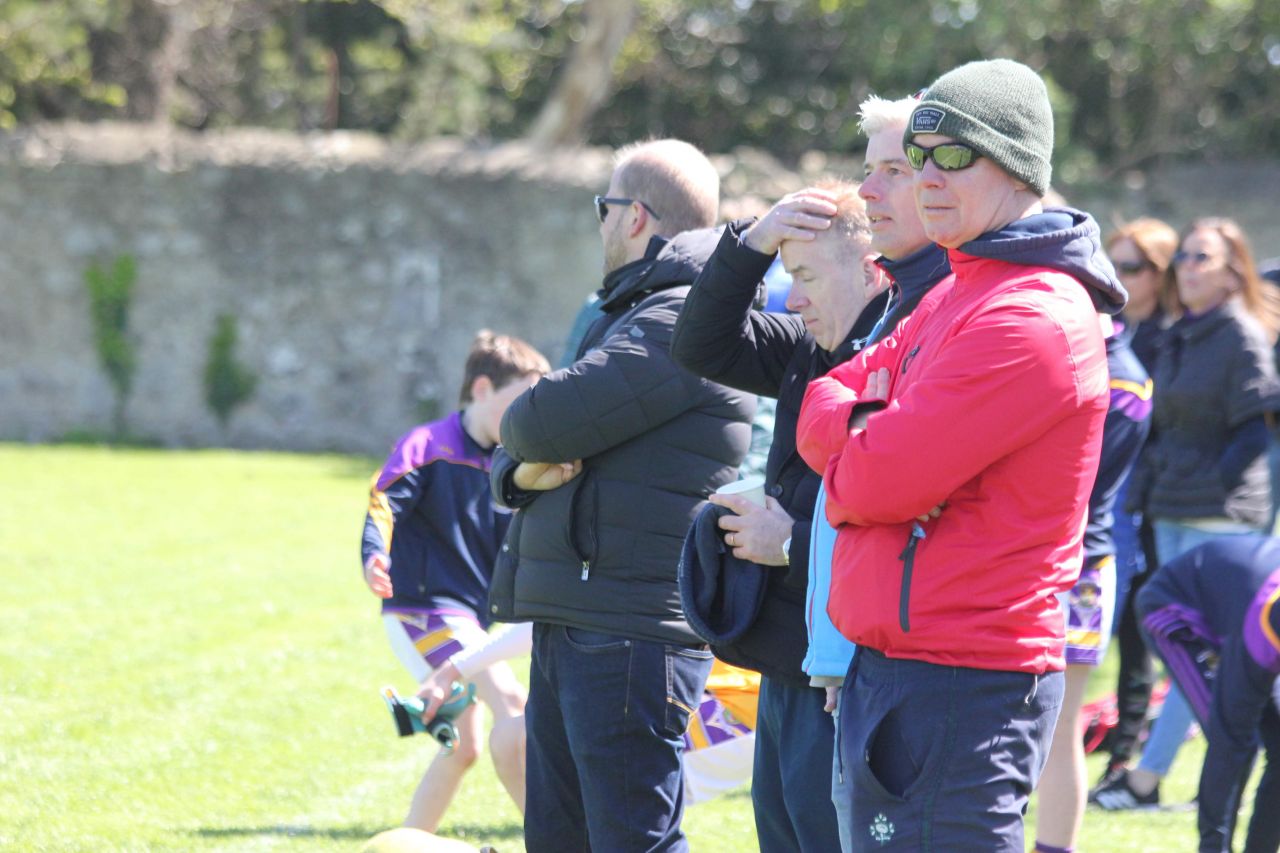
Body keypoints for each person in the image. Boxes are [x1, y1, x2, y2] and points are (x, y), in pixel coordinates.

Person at [795, 58, 1126, 850]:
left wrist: (856, 457)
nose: (925, 176)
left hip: (962, 680)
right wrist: (863, 440)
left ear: (1015, 163)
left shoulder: (1031, 316)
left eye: (952, 154)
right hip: (902, 666)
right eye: (918, 155)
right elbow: (822, 400)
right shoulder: (959, 287)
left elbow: (874, 480)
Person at [487, 138, 754, 853]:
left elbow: (528, 418)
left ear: (635, 217)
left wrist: (522, 453)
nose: (599, 224)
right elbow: (516, 447)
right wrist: (519, 472)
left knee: (633, 843)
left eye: (602, 209)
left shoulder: (684, 317)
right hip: (588, 615)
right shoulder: (637, 311)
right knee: (562, 840)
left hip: (628, 632)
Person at [671, 177, 892, 851]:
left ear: (871, 267)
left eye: (805, 276)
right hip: (788, 655)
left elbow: (903, 521)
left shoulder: (907, 352)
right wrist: (751, 243)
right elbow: (701, 342)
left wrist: (790, 541)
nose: (791, 298)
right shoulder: (807, 345)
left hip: (850, 670)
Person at [802, 93, 957, 851]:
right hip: (860, 644)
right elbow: (824, 415)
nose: (869, 192)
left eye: (893, 170)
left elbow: (883, 470)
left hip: (925, 656)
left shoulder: (962, 302)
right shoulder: (900, 301)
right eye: (870, 171)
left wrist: (851, 437)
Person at [1094, 217, 1280, 810]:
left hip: (1220, 517)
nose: (1188, 267)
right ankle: (1156, 774)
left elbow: (1257, 427)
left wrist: (1217, 480)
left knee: (1203, 652)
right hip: (1171, 509)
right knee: (1190, 647)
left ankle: (1146, 778)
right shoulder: (1181, 332)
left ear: (1233, 271)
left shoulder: (1240, 332)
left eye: (1202, 257)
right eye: (1185, 258)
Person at [360, 330, 549, 832]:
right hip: (424, 608)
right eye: (517, 402)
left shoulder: (514, 464)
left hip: (474, 620)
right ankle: (557, 837)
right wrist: (374, 554)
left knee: (462, 747)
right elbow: (384, 500)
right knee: (512, 704)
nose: (523, 416)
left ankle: (407, 842)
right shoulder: (428, 445)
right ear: (482, 389)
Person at [1033, 310, 1151, 853]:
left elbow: (1074, 478)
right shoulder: (1074, 355)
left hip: (1079, 570)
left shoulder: (1119, 374)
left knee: (1058, 731)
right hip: (1040, 560)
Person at [416, 624, 760, 808]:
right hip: (706, 695)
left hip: (740, 706)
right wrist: (454, 669)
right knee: (514, 740)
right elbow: (546, 620)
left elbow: (551, 619)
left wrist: (453, 670)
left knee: (617, 804)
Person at [1090, 218, 1179, 788]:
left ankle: (1128, 755)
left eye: (1134, 268)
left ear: (1159, 274)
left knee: (1140, 634)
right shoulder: (1116, 328)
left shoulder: (1173, 336)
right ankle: (1121, 750)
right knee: (1123, 627)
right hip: (1117, 500)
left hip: (1153, 502)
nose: (1121, 278)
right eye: (1114, 265)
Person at [1135, 535, 1280, 853]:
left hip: (1236, 602)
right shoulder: (1264, 631)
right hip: (1171, 611)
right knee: (1234, 738)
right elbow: (1230, 736)